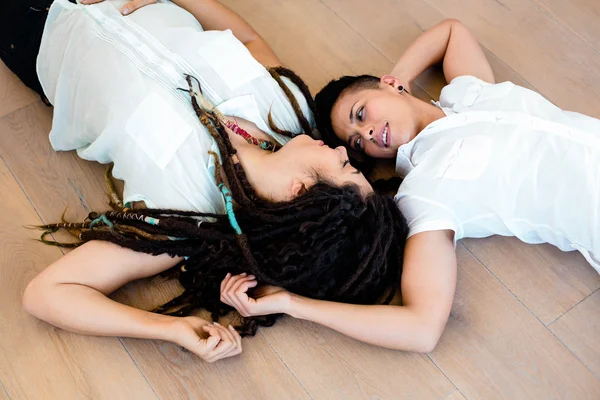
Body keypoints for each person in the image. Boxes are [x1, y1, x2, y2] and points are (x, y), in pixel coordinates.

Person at [16, 0, 409, 363]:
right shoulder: (290, 107)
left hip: (40, 25)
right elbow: (249, 38)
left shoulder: (184, 213)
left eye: (347, 168)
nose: (344, 151)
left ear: (300, 191)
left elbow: (47, 293)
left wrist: (169, 328)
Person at [254, 18, 600, 352]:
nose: (367, 133)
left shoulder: (469, 92)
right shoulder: (424, 192)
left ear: (386, 84)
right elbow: (421, 328)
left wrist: (398, 79)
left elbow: (452, 32)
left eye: (361, 114)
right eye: (359, 143)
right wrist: (293, 303)